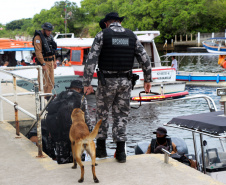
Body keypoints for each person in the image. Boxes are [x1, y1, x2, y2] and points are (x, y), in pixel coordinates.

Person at [83, 12, 152, 163]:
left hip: (106, 82)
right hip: (125, 83)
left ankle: (101, 151)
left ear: (107, 23)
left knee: (102, 114)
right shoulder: (132, 36)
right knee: (121, 116)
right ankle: (121, 152)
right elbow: (145, 59)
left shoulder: (102, 35)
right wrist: (148, 79)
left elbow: (91, 60)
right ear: (119, 22)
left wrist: (87, 83)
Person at [29, 80, 92, 164]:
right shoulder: (81, 99)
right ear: (78, 89)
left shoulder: (59, 96)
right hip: (75, 134)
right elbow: (87, 119)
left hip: (59, 135)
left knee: (63, 160)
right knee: (78, 159)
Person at [32, 22, 57, 98]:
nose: (50, 32)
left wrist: (54, 61)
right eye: (48, 31)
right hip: (44, 62)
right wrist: (43, 64)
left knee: (51, 82)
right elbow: (38, 52)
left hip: (51, 62)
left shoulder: (49, 37)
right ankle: (41, 99)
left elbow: (52, 50)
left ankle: (47, 98)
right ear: (44, 29)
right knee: (43, 83)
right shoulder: (38, 38)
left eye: (50, 31)